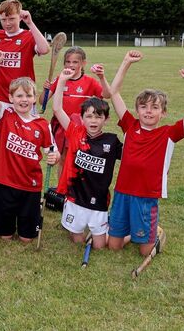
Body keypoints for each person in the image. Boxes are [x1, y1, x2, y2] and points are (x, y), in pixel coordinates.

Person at [107, 51, 184, 256]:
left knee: (145, 251)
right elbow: (113, 93)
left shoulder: (169, 133)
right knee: (113, 246)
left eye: (154, 107)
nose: (148, 111)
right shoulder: (129, 125)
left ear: (163, 113)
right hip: (123, 192)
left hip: (146, 196)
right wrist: (126, 62)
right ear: (137, 110)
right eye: (143, 107)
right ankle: (130, 234)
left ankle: (155, 235)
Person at [0, 51, 59, 242]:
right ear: (11, 98)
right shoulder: (5, 115)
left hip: (30, 185)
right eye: (18, 96)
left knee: (27, 238)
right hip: (5, 182)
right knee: (5, 236)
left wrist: (54, 156)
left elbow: (52, 150)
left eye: (28, 95)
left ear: (34, 98)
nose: (23, 99)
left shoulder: (42, 124)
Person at [52, 67, 121, 249]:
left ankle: (125, 235)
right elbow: (57, 109)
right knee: (77, 241)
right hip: (75, 199)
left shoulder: (112, 141)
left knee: (100, 246)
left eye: (98, 117)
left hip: (98, 201)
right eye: (88, 116)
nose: (93, 121)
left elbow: (133, 156)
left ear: (106, 119)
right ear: (81, 118)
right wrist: (62, 82)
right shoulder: (75, 132)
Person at [44, 47, 111, 173]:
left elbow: (107, 95)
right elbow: (42, 101)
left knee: (79, 158)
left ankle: (76, 189)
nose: (71, 65)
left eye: (75, 62)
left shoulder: (90, 82)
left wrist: (102, 77)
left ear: (83, 63)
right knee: (63, 159)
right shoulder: (60, 79)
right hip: (60, 126)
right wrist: (46, 90)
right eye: (68, 62)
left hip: (80, 127)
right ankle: (62, 190)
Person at [0, 0, 50, 104]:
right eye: (3, 19)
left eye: (11, 19)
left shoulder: (28, 36)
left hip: (24, 100)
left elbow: (44, 49)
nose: (7, 23)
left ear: (20, 17)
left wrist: (30, 23)